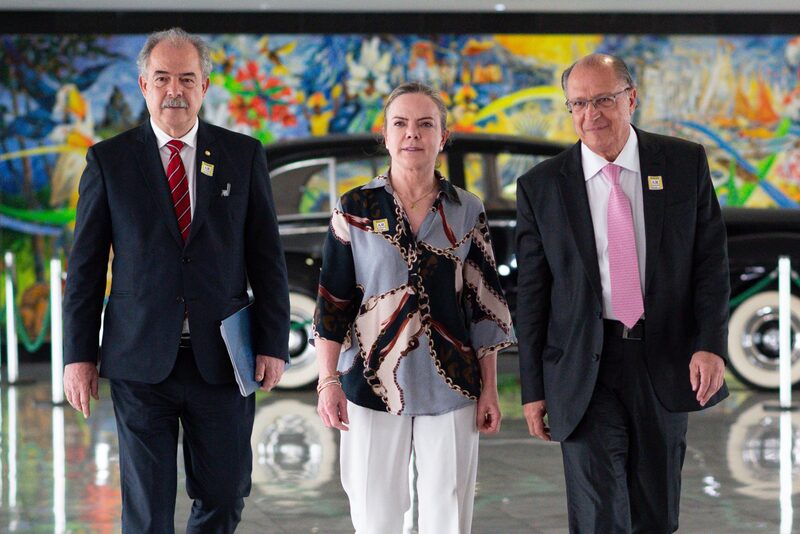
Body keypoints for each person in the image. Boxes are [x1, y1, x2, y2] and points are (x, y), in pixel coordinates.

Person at [62, 28, 290, 533]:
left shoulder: (243, 155)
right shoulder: (110, 161)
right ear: (144, 84)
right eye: (162, 78)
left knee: (225, 495)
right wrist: (78, 356)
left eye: (187, 79)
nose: (174, 90)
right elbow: (85, 269)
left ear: (204, 86)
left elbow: (267, 260)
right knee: (147, 511)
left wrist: (272, 343)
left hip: (224, 360)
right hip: (140, 361)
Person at [515, 53, 730, 533]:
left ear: (631, 99)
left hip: (663, 360)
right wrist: (533, 389)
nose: (590, 113)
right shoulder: (542, 187)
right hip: (583, 369)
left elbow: (710, 264)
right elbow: (532, 297)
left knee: (656, 514)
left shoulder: (683, 163)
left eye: (603, 100)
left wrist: (710, 344)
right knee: (598, 515)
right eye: (578, 103)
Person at [314, 81, 514, 534]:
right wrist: (327, 380)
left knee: (449, 513)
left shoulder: (467, 210)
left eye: (426, 124)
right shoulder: (355, 208)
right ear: (385, 135)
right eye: (400, 123)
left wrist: (490, 388)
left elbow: (484, 306)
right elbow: (333, 302)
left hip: (452, 386)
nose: (412, 134)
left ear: (443, 137)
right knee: (375, 514)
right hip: (370, 384)